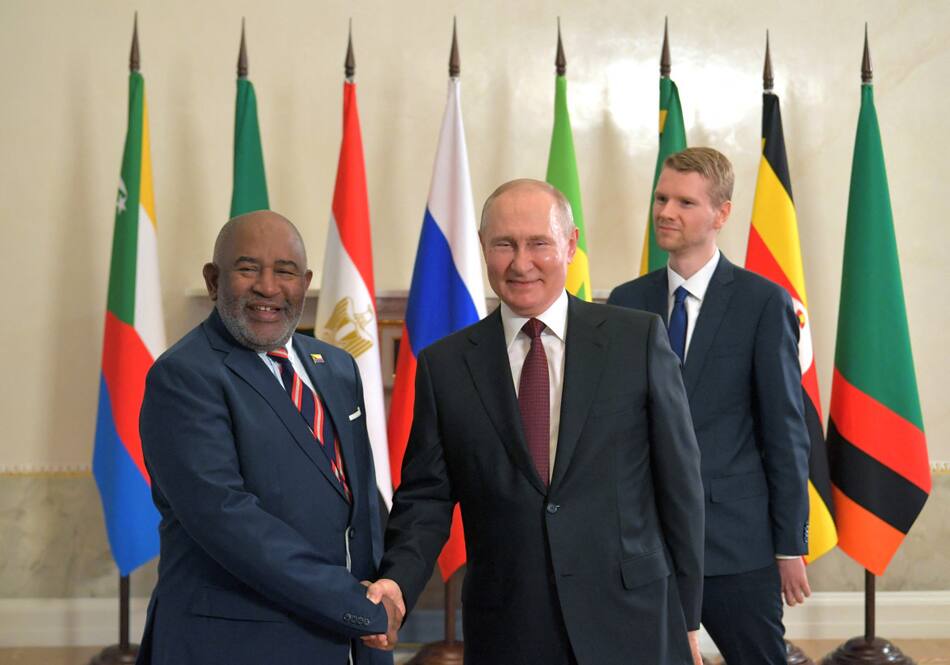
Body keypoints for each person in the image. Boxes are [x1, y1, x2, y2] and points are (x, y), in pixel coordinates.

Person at [366, 179, 705, 665]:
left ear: (570, 245)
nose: (520, 263)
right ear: (483, 249)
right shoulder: (446, 366)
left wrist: (688, 618)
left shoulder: (637, 340)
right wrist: (395, 581)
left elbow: (680, 487)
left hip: (633, 620)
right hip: (509, 626)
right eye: (504, 244)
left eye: (538, 243)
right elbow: (426, 499)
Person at [136, 210, 398, 665]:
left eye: (285, 271)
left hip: (346, 640)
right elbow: (229, 521)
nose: (268, 287)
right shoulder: (184, 376)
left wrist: (386, 588)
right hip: (234, 644)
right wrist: (356, 605)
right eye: (248, 268)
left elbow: (362, 503)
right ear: (214, 280)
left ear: (306, 281)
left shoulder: (335, 366)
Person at [608, 147, 811, 664]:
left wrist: (789, 544)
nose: (666, 212)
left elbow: (785, 429)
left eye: (684, 202)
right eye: (661, 198)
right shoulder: (626, 301)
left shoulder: (763, 303)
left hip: (735, 542)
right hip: (644, 540)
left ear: (721, 214)